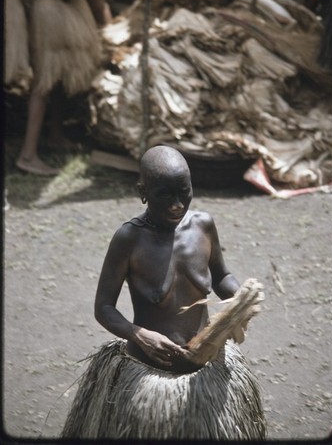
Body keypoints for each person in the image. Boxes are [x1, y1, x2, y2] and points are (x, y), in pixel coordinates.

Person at [62, 145, 266, 440]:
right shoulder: (129, 239)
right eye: (164, 195)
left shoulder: (203, 225)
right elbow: (103, 307)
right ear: (142, 191)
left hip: (206, 369)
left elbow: (222, 275)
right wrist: (139, 334)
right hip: (146, 375)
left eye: (184, 192)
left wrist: (240, 299)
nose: (176, 205)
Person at [5, 0, 111, 176]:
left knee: (60, 72)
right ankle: (27, 156)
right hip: (36, 7)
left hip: (59, 4)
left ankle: (55, 135)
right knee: (43, 83)